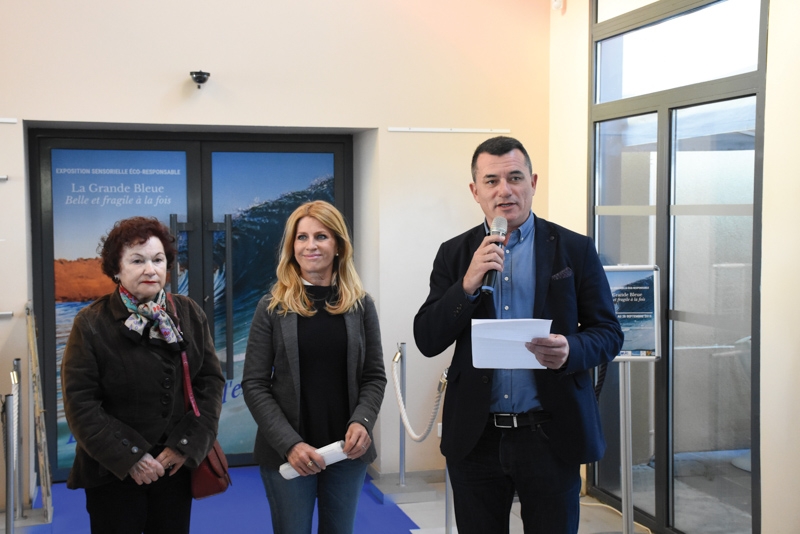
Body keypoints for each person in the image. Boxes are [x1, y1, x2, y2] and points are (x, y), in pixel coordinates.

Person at [414, 136, 623, 534]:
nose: (504, 190)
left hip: (550, 433)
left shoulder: (574, 250)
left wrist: (571, 349)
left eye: (514, 177)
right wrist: (468, 286)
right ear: (475, 191)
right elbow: (427, 338)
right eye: (491, 181)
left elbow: (609, 333)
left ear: (533, 182)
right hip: (476, 438)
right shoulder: (455, 254)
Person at [61, 216, 225, 534]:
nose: (150, 269)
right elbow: (80, 403)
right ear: (117, 269)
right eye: (137, 260)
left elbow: (210, 382)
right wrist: (131, 457)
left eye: (158, 259)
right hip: (112, 471)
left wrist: (185, 445)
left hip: (173, 466)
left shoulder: (189, 312)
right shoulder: (91, 323)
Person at [243, 200, 386, 534]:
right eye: (301, 237)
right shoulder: (272, 306)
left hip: (346, 452)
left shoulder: (361, 305)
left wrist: (363, 422)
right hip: (289, 451)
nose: (310, 246)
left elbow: (374, 376)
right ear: (292, 247)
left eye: (321, 236)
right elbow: (254, 384)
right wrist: (290, 444)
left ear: (338, 245)